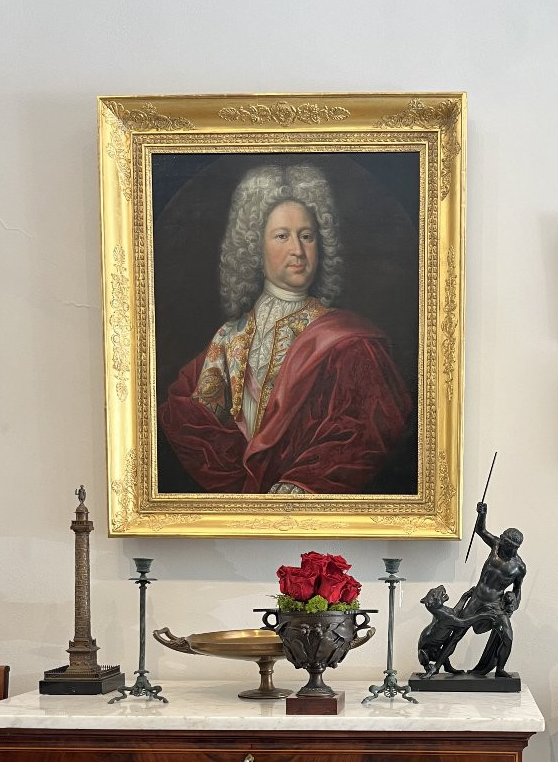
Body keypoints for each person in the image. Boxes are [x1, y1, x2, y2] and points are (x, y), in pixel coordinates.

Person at [159, 163, 413, 494]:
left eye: (307, 236)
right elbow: (189, 419)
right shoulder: (228, 337)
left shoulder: (349, 341)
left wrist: (302, 480)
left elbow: (368, 429)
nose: (298, 250)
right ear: (255, 245)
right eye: (282, 236)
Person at [430, 502, 526, 678]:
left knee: (507, 636)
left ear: (516, 547)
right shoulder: (496, 545)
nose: (505, 546)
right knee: (457, 633)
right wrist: (482, 514)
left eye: (509, 546)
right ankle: (436, 667)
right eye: (504, 542)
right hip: (477, 599)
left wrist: (514, 602)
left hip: (495, 605)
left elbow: (518, 590)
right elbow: (481, 531)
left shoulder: (519, 567)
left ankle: (500, 669)